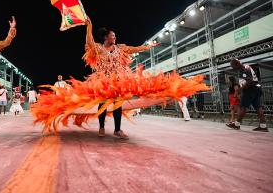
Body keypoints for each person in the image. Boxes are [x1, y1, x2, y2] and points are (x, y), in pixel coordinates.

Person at [31, 17, 209, 137]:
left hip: (117, 81)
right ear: (106, 37)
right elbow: (88, 43)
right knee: (102, 103)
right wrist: (89, 27)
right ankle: (101, 127)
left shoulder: (120, 47)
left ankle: (117, 130)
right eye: (113, 36)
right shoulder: (99, 49)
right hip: (101, 81)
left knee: (117, 104)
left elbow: (135, 48)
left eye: (115, 36)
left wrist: (148, 47)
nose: (115, 38)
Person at [227, 59, 268, 132]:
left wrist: (240, 89)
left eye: (233, 66)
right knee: (258, 107)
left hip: (250, 90)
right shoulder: (247, 66)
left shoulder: (243, 70)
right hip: (256, 88)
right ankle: (263, 126)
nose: (233, 68)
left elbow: (249, 81)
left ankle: (236, 125)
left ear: (236, 64)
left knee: (243, 107)